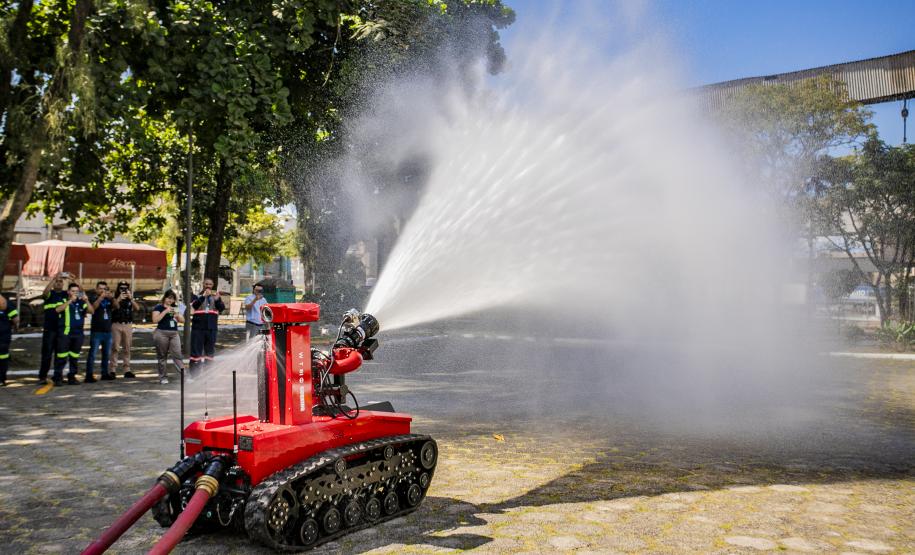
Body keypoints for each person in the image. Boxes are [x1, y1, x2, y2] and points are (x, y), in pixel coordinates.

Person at [53, 282, 94, 385]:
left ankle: (72, 377)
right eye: (73, 291)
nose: (75, 293)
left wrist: (87, 300)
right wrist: (70, 301)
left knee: (74, 357)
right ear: (68, 292)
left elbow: (91, 311)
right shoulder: (63, 300)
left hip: (78, 334)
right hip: (65, 333)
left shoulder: (81, 302)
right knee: (61, 357)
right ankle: (58, 378)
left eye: (77, 291)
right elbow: (57, 310)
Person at [38, 272, 70, 384]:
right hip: (49, 329)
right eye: (57, 281)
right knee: (47, 354)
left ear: (63, 284)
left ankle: (58, 377)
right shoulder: (50, 294)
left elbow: (79, 292)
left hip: (62, 329)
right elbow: (44, 293)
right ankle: (42, 377)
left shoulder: (66, 294)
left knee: (60, 354)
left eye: (61, 281)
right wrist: (53, 279)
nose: (58, 283)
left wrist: (73, 280)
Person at [189, 277, 224, 375]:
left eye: (210, 284)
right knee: (196, 353)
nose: (208, 286)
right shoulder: (196, 296)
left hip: (211, 329)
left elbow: (221, 308)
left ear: (213, 286)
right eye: (206, 284)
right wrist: (203, 297)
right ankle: (194, 376)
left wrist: (217, 300)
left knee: (210, 353)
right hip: (198, 329)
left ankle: (208, 375)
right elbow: (194, 307)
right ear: (203, 285)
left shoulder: (215, 297)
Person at [152, 290, 185, 385]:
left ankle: (185, 376)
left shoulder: (175, 308)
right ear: (164, 298)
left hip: (174, 333)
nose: (170, 300)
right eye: (168, 298)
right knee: (162, 356)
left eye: (172, 298)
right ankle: (163, 377)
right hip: (161, 333)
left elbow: (183, 320)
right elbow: (155, 320)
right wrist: (165, 311)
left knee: (177, 355)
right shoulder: (159, 307)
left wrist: (177, 315)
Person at [86, 281, 115, 381]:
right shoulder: (93, 297)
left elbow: (117, 306)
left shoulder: (108, 299)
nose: (102, 290)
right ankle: (89, 375)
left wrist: (112, 298)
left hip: (108, 331)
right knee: (93, 354)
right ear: (96, 289)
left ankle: (104, 373)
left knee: (106, 354)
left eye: (104, 289)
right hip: (96, 331)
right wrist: (101, 297)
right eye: (100, 288)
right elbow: (93, 309)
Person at [111, 281, 140, 379]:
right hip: (116, 324)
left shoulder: (129, 298)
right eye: (121, 288)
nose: (123, 290)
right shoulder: (114, 298)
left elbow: (137, 308)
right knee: (115, 347)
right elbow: (114, 307)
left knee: (127, 348)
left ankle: (127, 370)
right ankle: (112, 370)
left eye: (125, 288)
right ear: (118, 289)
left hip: (127, 324)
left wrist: (131, 298)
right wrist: (118, 299)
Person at [0, 294, 19, 386]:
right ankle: (1, 379)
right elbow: (16, 320)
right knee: (3, 357)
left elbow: (16, 319)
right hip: (4, 335)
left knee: (2, 357)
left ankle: (1, 379)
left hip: (3, 336)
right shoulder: (7, 303)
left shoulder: (7, 303)